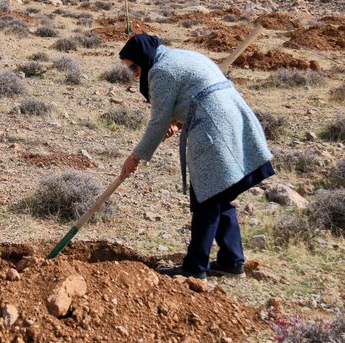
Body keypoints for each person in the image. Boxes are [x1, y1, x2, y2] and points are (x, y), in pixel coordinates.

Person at [118, 34, 275, 279]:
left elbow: (158, 121)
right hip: (231, 119)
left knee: (207, 200)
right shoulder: (181, 55)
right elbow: (196, 95)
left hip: (213, 129)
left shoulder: (160, 71)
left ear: (143, 59)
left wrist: (135, 157)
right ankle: (231, 261)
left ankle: (194, 268)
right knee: (220, 193)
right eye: (130, 70)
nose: (135, 74)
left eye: (134, 67)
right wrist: (178, 123)